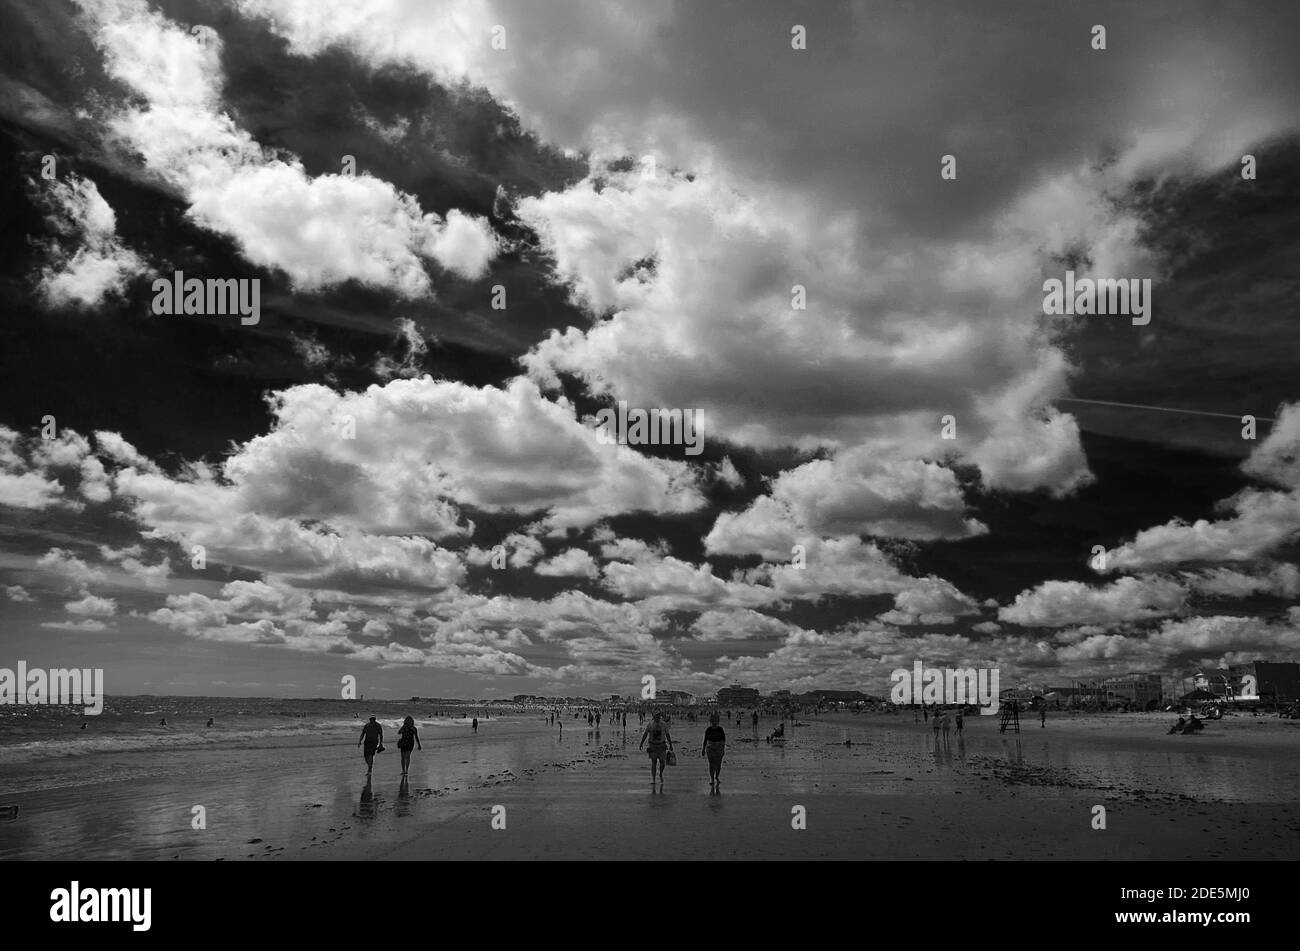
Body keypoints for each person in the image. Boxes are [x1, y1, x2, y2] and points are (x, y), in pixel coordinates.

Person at [640, 712, 674, 787]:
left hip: (662, 745)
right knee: (654, 763)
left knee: (662, 762)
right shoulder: (650, 724)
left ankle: (661, 773)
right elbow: (645, 734)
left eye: (658, 716)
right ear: (654, 716)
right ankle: (653, 779)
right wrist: (641, 743)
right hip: (653, 746)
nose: (657, 717)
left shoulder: (664, 724)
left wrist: (670, 744)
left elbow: (667, 735)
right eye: (656, 716)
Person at [701, 713, 726, 791]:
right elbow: (705, 740)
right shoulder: (708, 729)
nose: (714, 722)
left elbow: (724, 739)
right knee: (711, 764)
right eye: (713, 720)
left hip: (719, 748)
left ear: (718, 721)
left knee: (718, 764)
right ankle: (712, 779)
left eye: (716, 720)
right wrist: (703, 749)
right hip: (710, 748)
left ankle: (717, 777)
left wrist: (722, 747)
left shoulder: (720, 729)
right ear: (711, 721)